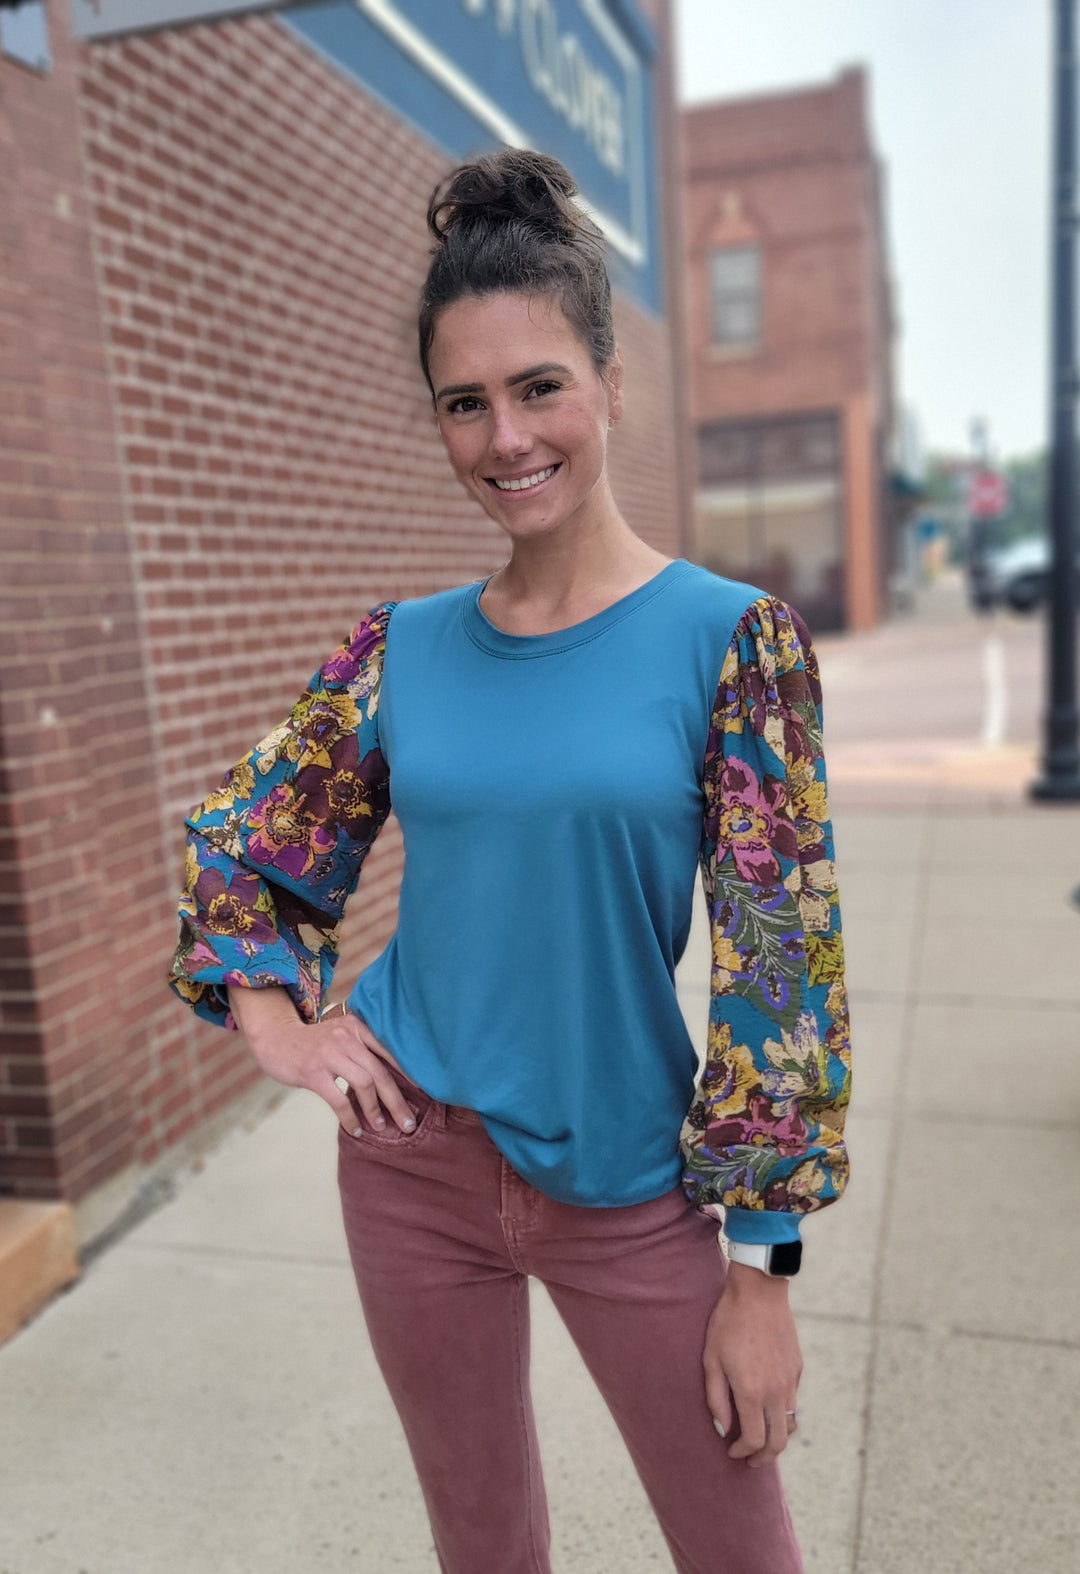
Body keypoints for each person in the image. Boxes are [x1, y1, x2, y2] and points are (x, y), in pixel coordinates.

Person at [167, 149, 851, 1574]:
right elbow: (250, 841)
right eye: (463, 404)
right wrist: (276, 1018)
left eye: (538, 386)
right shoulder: (399, 648)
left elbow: (778, 969)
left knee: (743, 1552)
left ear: (610, 381)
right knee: (482, 1543)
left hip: (632, 1181)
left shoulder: (729, 644)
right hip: (411, 1165)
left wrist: (761, 1266)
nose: (505, 437)